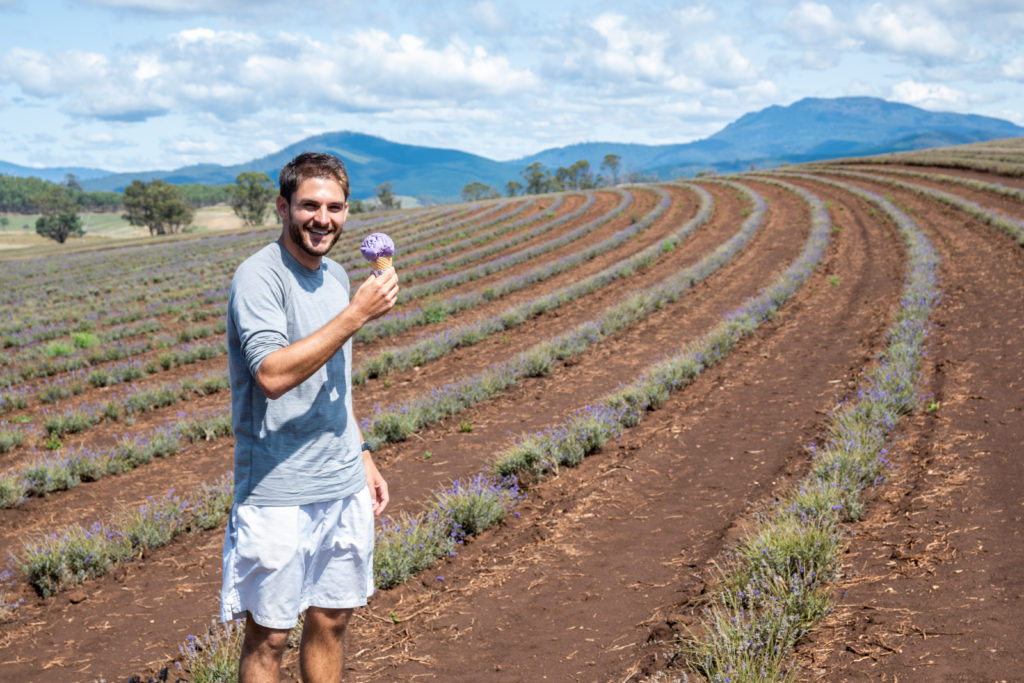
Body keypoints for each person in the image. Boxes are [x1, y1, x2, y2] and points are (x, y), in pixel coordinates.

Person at [220, 151, 398, 682]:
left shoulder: (339, 275)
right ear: (283, 207)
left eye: (335, 207)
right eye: (310, 206)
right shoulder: (259, 277)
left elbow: (335, 380)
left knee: (331, 619)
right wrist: (358, 314)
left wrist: (362, 452)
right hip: (278, 484)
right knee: (270, 634)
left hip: (340, 477)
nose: (323, 218)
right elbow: (272, 375)